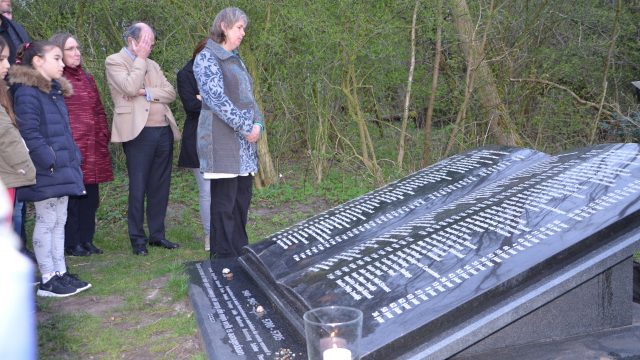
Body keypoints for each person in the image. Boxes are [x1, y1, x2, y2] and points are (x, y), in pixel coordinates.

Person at [10, 41, 91, 297]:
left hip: (62, 167)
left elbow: (62, 132)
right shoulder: (26, 92)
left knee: (60, 220)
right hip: (47, 170)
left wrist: (72, 156)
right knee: (46, 221)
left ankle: (60, 272)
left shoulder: (53, 91)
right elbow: (30, 133)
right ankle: (47, 278)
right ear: (37, 61)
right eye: (56, 58)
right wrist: (50, 159)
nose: (62, 63)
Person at [105, 23, 181, 256]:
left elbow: (170, 93)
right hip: (138, 134)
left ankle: (157, 235)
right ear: (132, 41)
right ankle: (137, 239)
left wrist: (147, 92)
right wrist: (140, 60)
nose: (152, 45)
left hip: (162, 131)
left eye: (152, 42)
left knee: (160, 185)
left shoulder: (154, 64)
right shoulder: (115, 61)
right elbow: (129, 86)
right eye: (147, 41)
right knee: (138, 186)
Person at [193, 7, 263, 258]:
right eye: (239, 28)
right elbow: (216, 100)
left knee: (240, 203)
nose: (243, 33)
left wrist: (258, 124)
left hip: (244, 147)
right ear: (224, 26)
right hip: (221, 142)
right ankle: (222, 261)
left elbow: (249, 98)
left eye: (244, 28)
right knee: (224, 206)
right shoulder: (207, 57)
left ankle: (241, 256)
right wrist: (246, 127)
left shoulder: (237, 59)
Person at [50, 32, 113, 256]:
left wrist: (103, 134)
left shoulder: (87, 78)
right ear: (58, 52)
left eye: (78, 48)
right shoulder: (54, 80)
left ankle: (87, 240)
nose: (76, 53)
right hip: (72, 148)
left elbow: (98, 109)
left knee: (91, 197)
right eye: (70, 49)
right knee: (73, 198)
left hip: (94, 147)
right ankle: (71, 242)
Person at [177, 39, 210, 251]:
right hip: (198, 136)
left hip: (221, 137)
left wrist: (203, 98)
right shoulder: (185, 74)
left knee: (223, 190)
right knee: (206, 189)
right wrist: (212, 101)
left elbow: (232, 101)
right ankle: (210, 235)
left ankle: (224, 233)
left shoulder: (220, 72)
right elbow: (191, 105)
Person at [0, 37, 34, 220]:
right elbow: (7, 136)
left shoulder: (3, 91)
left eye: (7, 58)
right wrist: (25, 167)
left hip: (8, 177)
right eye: (1, 59)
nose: (7, 65)